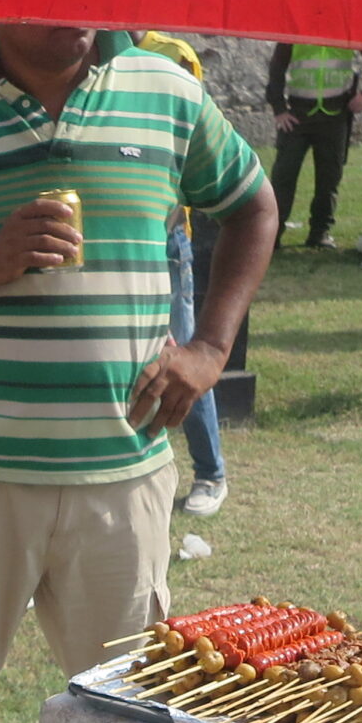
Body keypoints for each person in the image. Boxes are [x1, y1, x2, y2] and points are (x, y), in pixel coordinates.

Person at [0, 25, 276, 723]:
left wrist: (209, 348)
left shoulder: (167, 92)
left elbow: (252, 207)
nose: (73, 2)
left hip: (121, 477)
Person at [138, 31, 229, 518]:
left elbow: (186, 149)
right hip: (121, 236)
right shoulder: (91, 57)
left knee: (188, 351)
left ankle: (211, 472)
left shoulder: (173, 56)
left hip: (167, 235)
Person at [265, 41, 362, 251]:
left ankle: (320, 233)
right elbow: (277, 66)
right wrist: (279, 107)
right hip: (297, 113)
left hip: (336, 113)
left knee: (329, 178)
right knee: (284, 175)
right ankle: (272, 235)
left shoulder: (347, 24)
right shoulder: (296, 26)